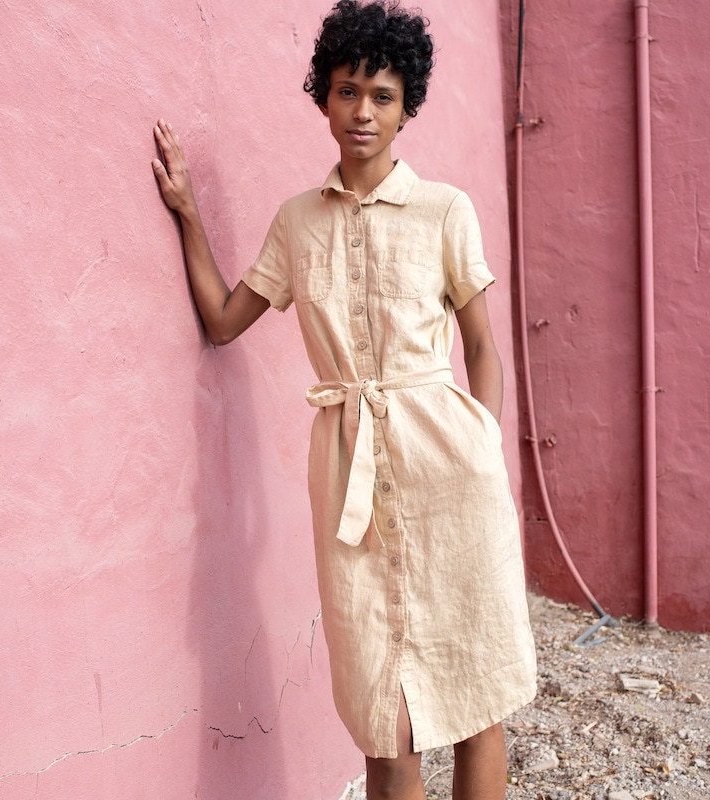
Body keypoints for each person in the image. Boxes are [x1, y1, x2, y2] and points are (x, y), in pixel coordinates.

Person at [151, 1, 536, 797]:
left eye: (383, 95)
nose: (363, 111)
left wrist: (483, 446)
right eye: (348, 90)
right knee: (381, 716)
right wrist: (189, 213)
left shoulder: (445, 211)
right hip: (348, 470)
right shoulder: (296, 223)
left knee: (473, 702)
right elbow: (225, 321)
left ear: (408, 106)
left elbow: (483, 346)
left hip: (451, 467)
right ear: (323, 97)